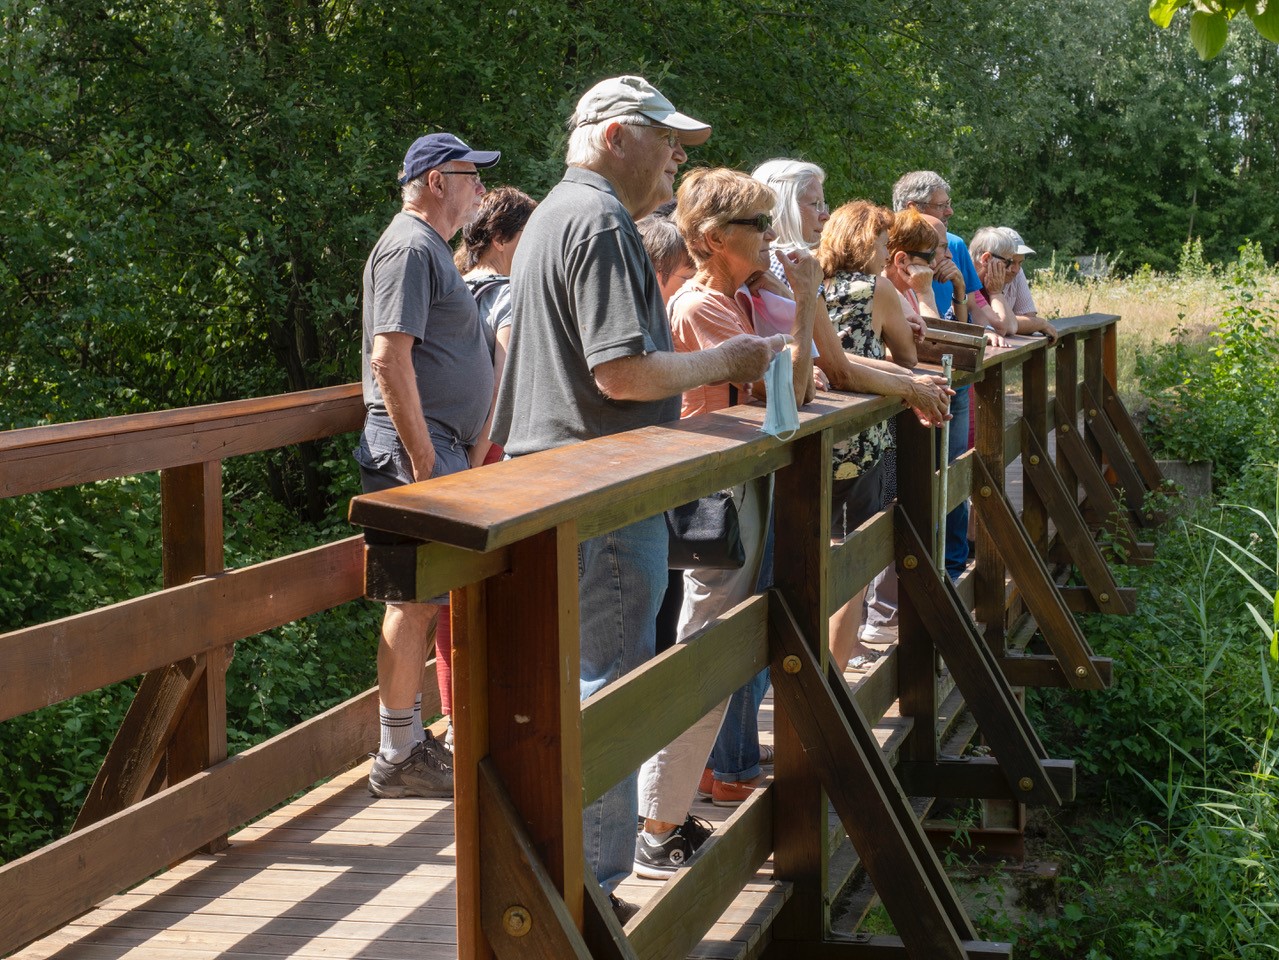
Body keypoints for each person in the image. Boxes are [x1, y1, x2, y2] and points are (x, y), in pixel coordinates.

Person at [490, 76, 786, 915]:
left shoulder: (552, 212)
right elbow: (620, 372)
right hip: (601, 491)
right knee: (608, 695)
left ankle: (562, 883)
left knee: (572, 689)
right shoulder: (600, 221)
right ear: (617, 136)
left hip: (554, 486)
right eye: (667, 139)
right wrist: (729, 365)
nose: (678, 157)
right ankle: (588, 897)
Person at [634, 168, 820, 878]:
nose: (773, 237)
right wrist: (801, 307)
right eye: (759, 227)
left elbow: (795, 388)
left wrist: (790, 301)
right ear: (713, 240)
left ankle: (668, 814)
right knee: (704, 651)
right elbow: (793, 395)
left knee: (723, 650)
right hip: (717, 501)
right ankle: (657, 824)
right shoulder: (700, 309)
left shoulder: (737, 297)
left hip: (743, 492)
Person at [355, 132, 499, 799]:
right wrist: (424, 464)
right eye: (473, 176)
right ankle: (395, 753)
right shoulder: (410, 247)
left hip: (440, 448)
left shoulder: (428, 250)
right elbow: (389, 356)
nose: (482, 190)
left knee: (422, 599)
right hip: (414, 451)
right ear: (438, 179)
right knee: (411, 601)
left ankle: (407, 745)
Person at [816, 201, 939, 672]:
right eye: (884, 244)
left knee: (819, 554)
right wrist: (903, 328)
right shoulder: (877, 287)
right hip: (863, 438)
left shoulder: (810, 284)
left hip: (817, 433)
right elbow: (908, 356)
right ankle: (835, 672)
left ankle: (819, 665)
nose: (887, 252)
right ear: (867, 244)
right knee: (855, 562)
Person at [454, 185, 539, 468]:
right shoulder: (509, 295)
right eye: (528, 235)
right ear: (500, 239)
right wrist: (475, 460)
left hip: (451, 436)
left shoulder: (455, 286)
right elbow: (501, 387)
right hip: (490, 448)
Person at [992, 227, 1057, 341]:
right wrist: (1041, 324)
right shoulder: (980, 277)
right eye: (1010, 262)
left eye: (1020, 263)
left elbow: (1029, 317)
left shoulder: (1017, 272)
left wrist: (1037, 323)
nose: (1016, 269)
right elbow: (997, 324)